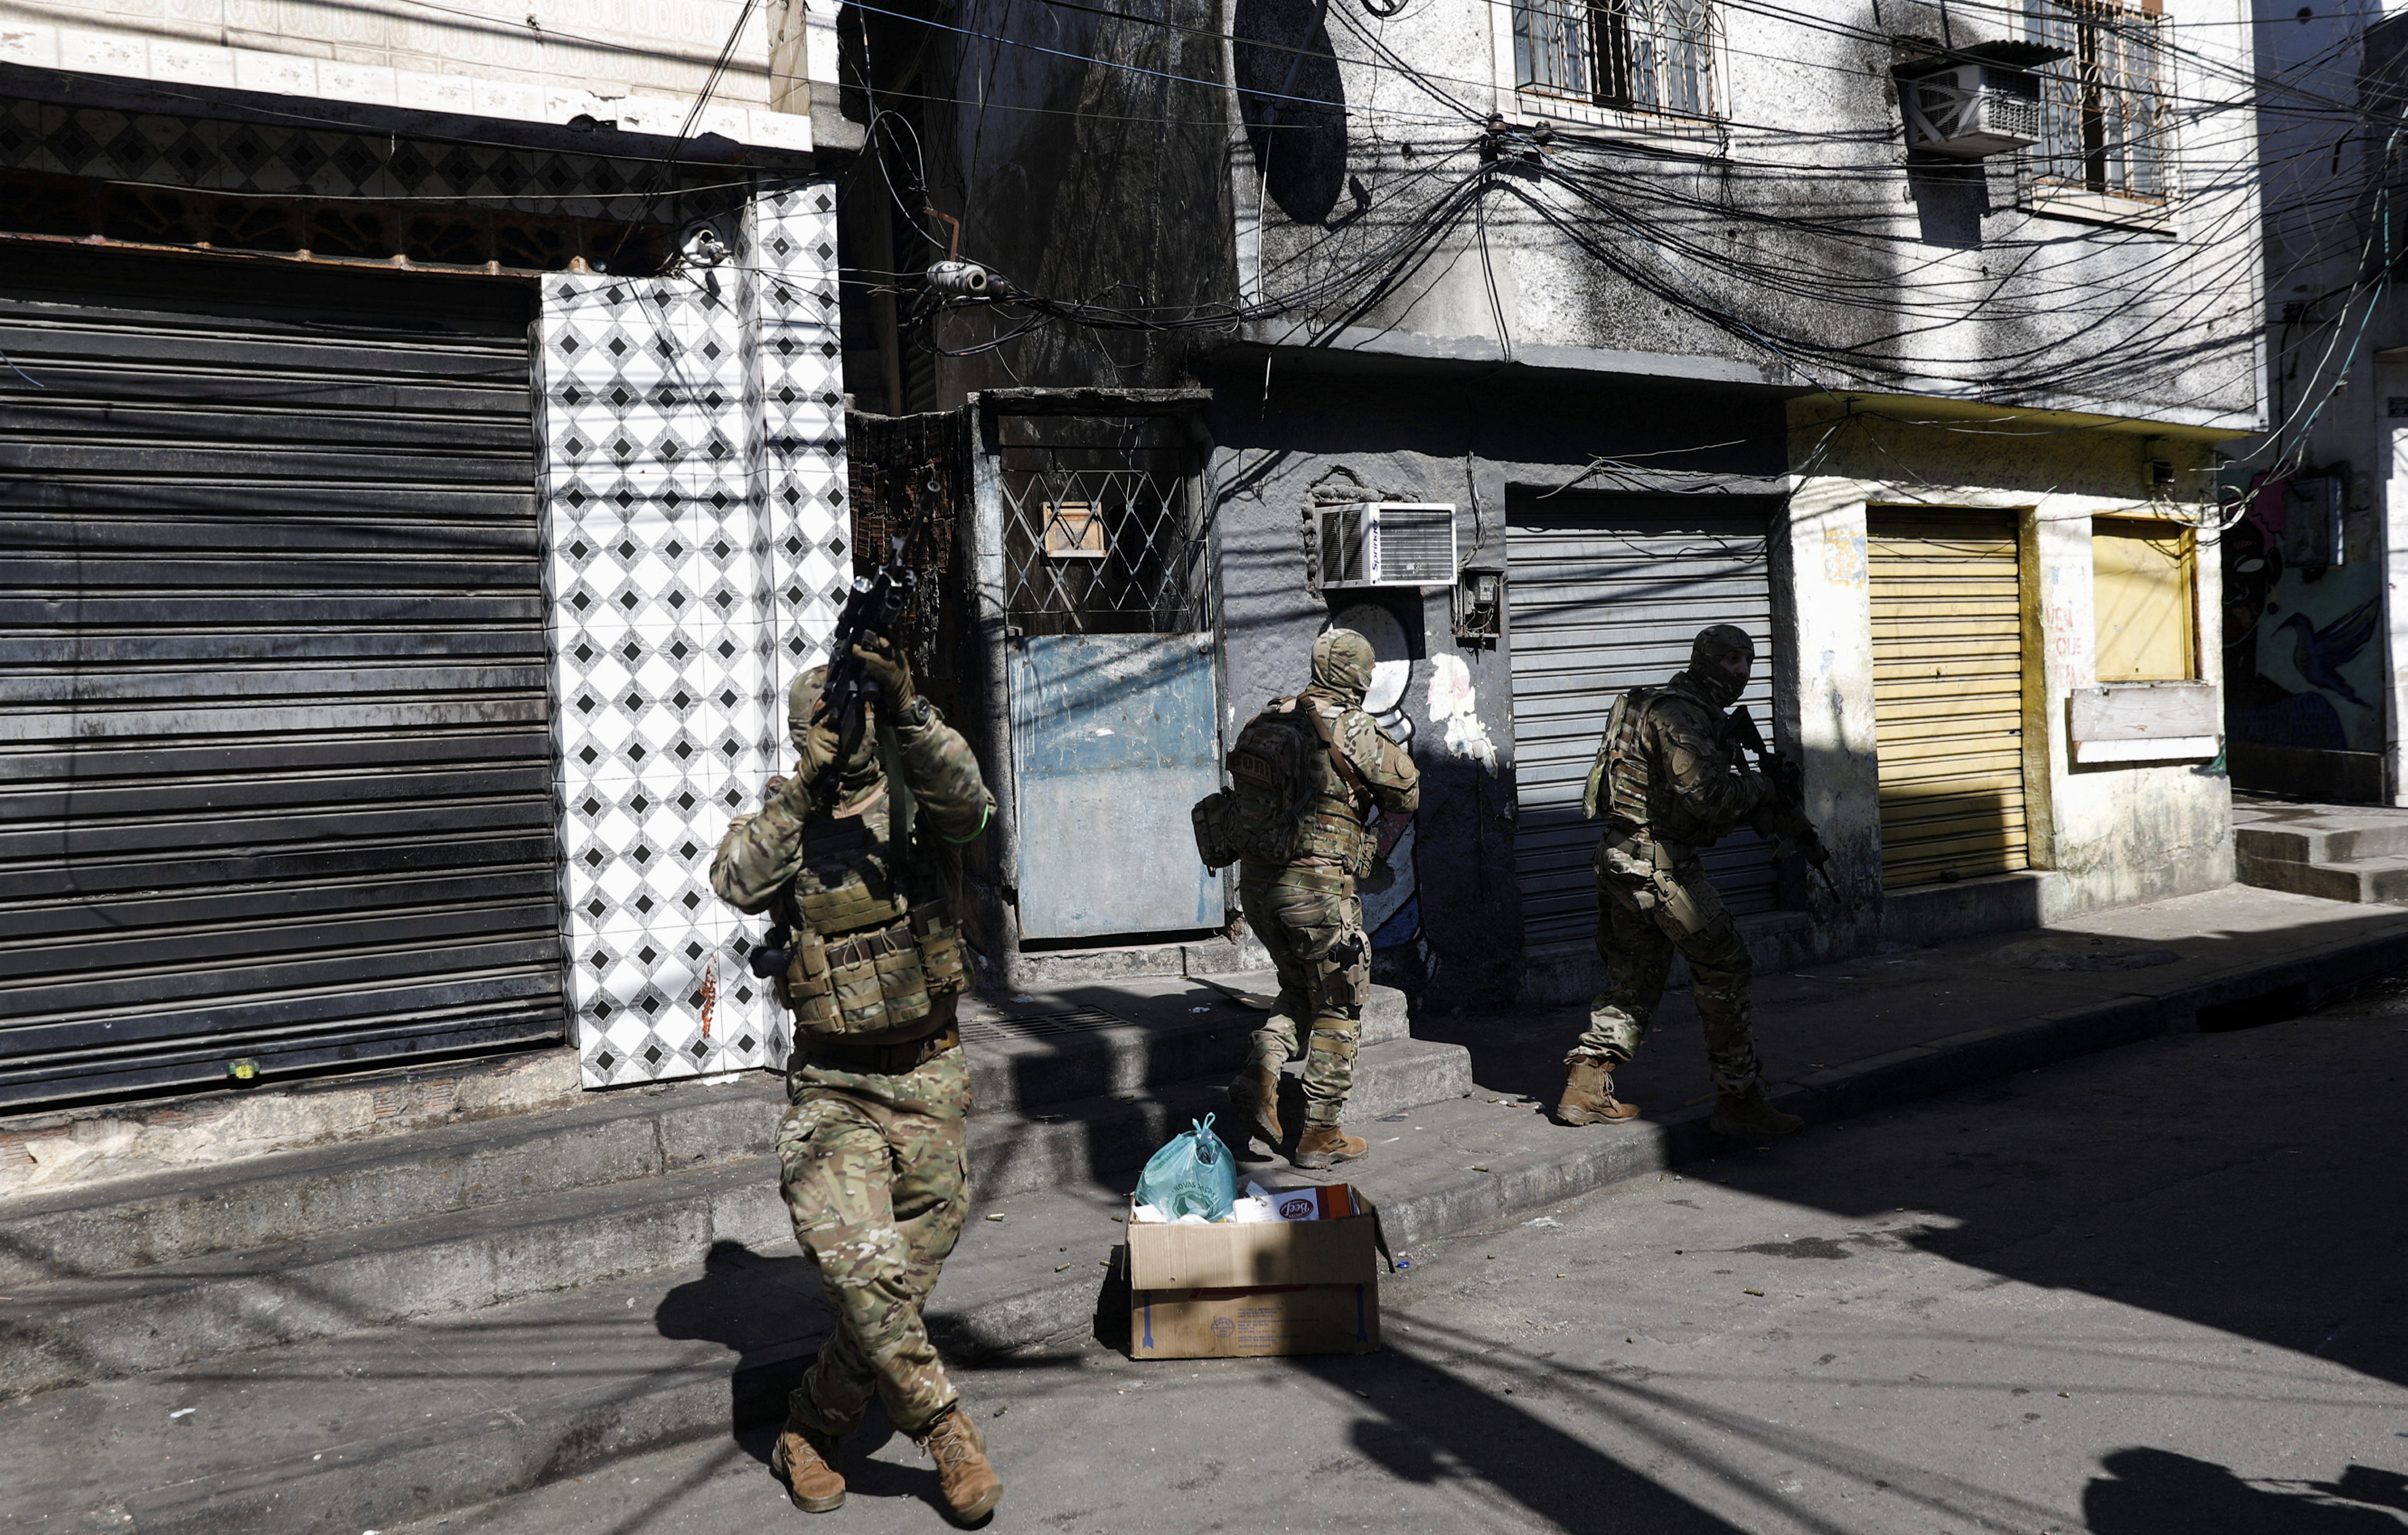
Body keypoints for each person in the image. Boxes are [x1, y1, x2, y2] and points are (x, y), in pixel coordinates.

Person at [711, 635, 1002, 1523]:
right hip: (832, 1088)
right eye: (827, 728)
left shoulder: (921, 792)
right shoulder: (790, 816)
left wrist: (912, 706)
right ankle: (945, 1431)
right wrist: (805, 784)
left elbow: (974, 808)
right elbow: (734, 877)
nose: (848, 738)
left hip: (927, 1075)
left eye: (857, 721)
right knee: (861, 1265)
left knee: (892, 1288)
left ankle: (806, 1429)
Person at [1552, 624, 1818, 1139]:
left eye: (1747, 660)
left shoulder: (1655, 703)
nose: (1740, 671)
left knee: (1636, 976)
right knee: (1726, 964)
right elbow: (1709, 798)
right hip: (1658, 866)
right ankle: (1739, 1099)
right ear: (1704, 660)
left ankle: (1583, 1085)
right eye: (1729, 660)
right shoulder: (1680, 714)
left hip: (1623, 856)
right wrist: (1763, 786)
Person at [1227, 628, 1421, 1169]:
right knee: (1339, 1003)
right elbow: (1407, 789)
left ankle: (1260, 1073)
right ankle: (1320, 1134)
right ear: (1358, 677)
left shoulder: (1266, 720)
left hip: (1261, 886)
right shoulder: (1351, 726)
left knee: (1298, 987)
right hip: (1316, 890)